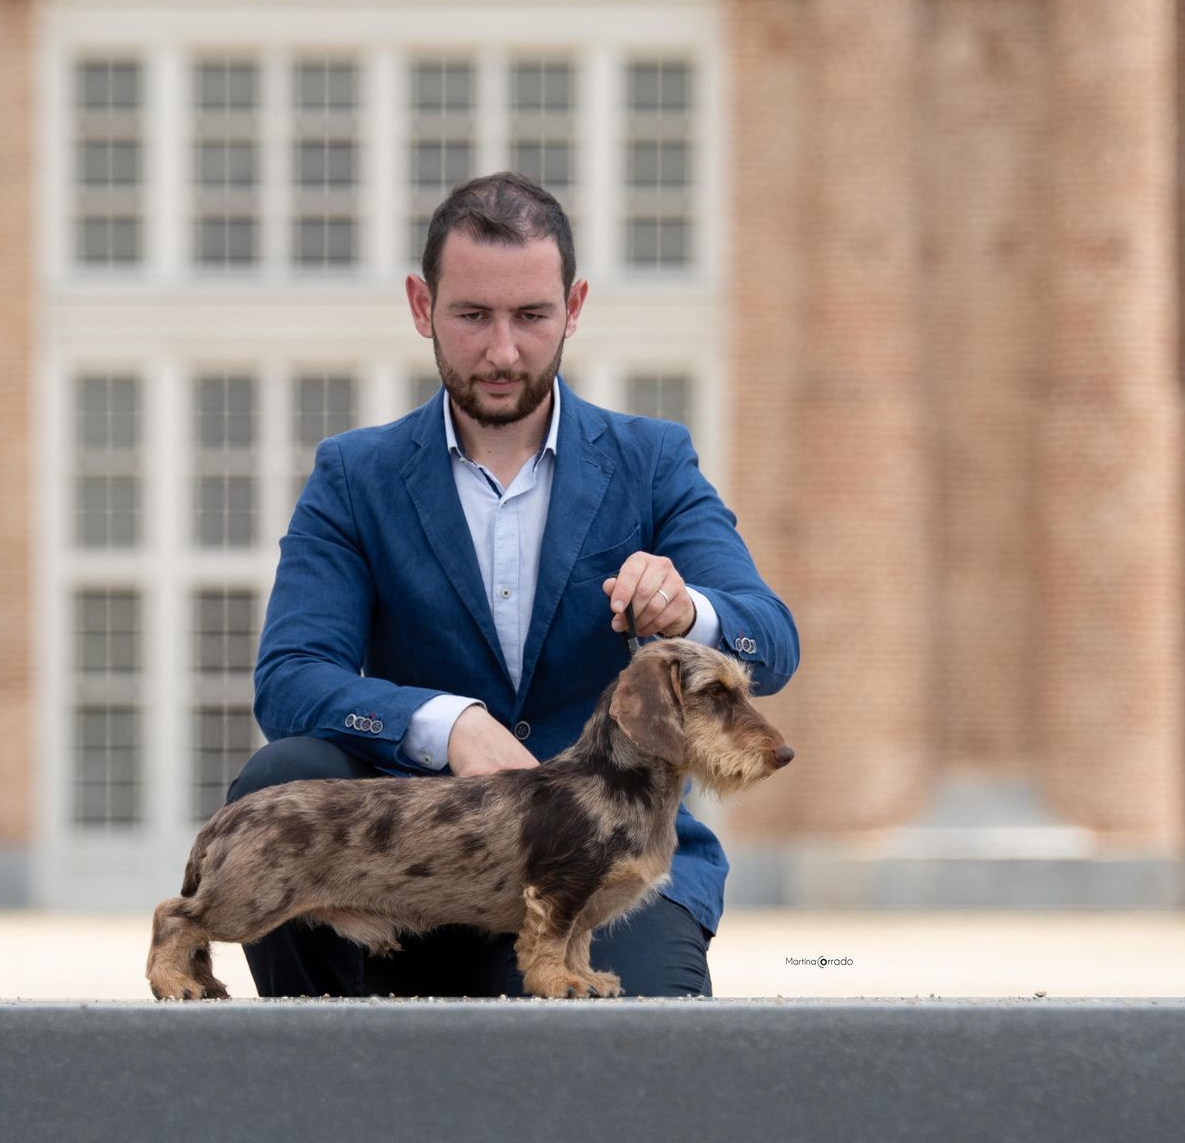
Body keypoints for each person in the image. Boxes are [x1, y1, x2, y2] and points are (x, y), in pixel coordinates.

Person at [232, 171, 798, 997]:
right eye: (472, 316)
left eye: (532, 317)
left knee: (652, 1070)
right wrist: (447, 726)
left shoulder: (651, 461)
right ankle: (327, 1084)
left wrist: (693, 611)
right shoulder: (355, 477)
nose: (503, 352)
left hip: (602, 879)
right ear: (422, 306)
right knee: (277, 779)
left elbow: (771, 642)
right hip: (414, 872)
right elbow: (289, 679)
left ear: (574, 308)